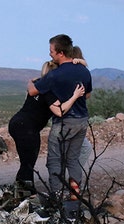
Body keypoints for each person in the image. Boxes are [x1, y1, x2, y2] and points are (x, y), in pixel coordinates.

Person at [8, 61, 85, 197]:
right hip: (27, 127)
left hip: (17, 123)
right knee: (28, 163)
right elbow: (60, 111)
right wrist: (75, 96)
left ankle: (22, 193)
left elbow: (30, 84)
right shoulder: (49, 90)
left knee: (26, 162)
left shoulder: (38, 84)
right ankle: (25, 196)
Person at [27, 34, 92, 195]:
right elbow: (88, 95)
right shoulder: (84, 71)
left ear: (60, 53)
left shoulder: (55, 75)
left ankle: (57, 196)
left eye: (52, 51)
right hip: (82, 120)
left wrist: (31, 81)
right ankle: (75, 194)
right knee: (73, 158)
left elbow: (32, 91)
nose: (50, 54)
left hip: (64, 122)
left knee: (55, 160)